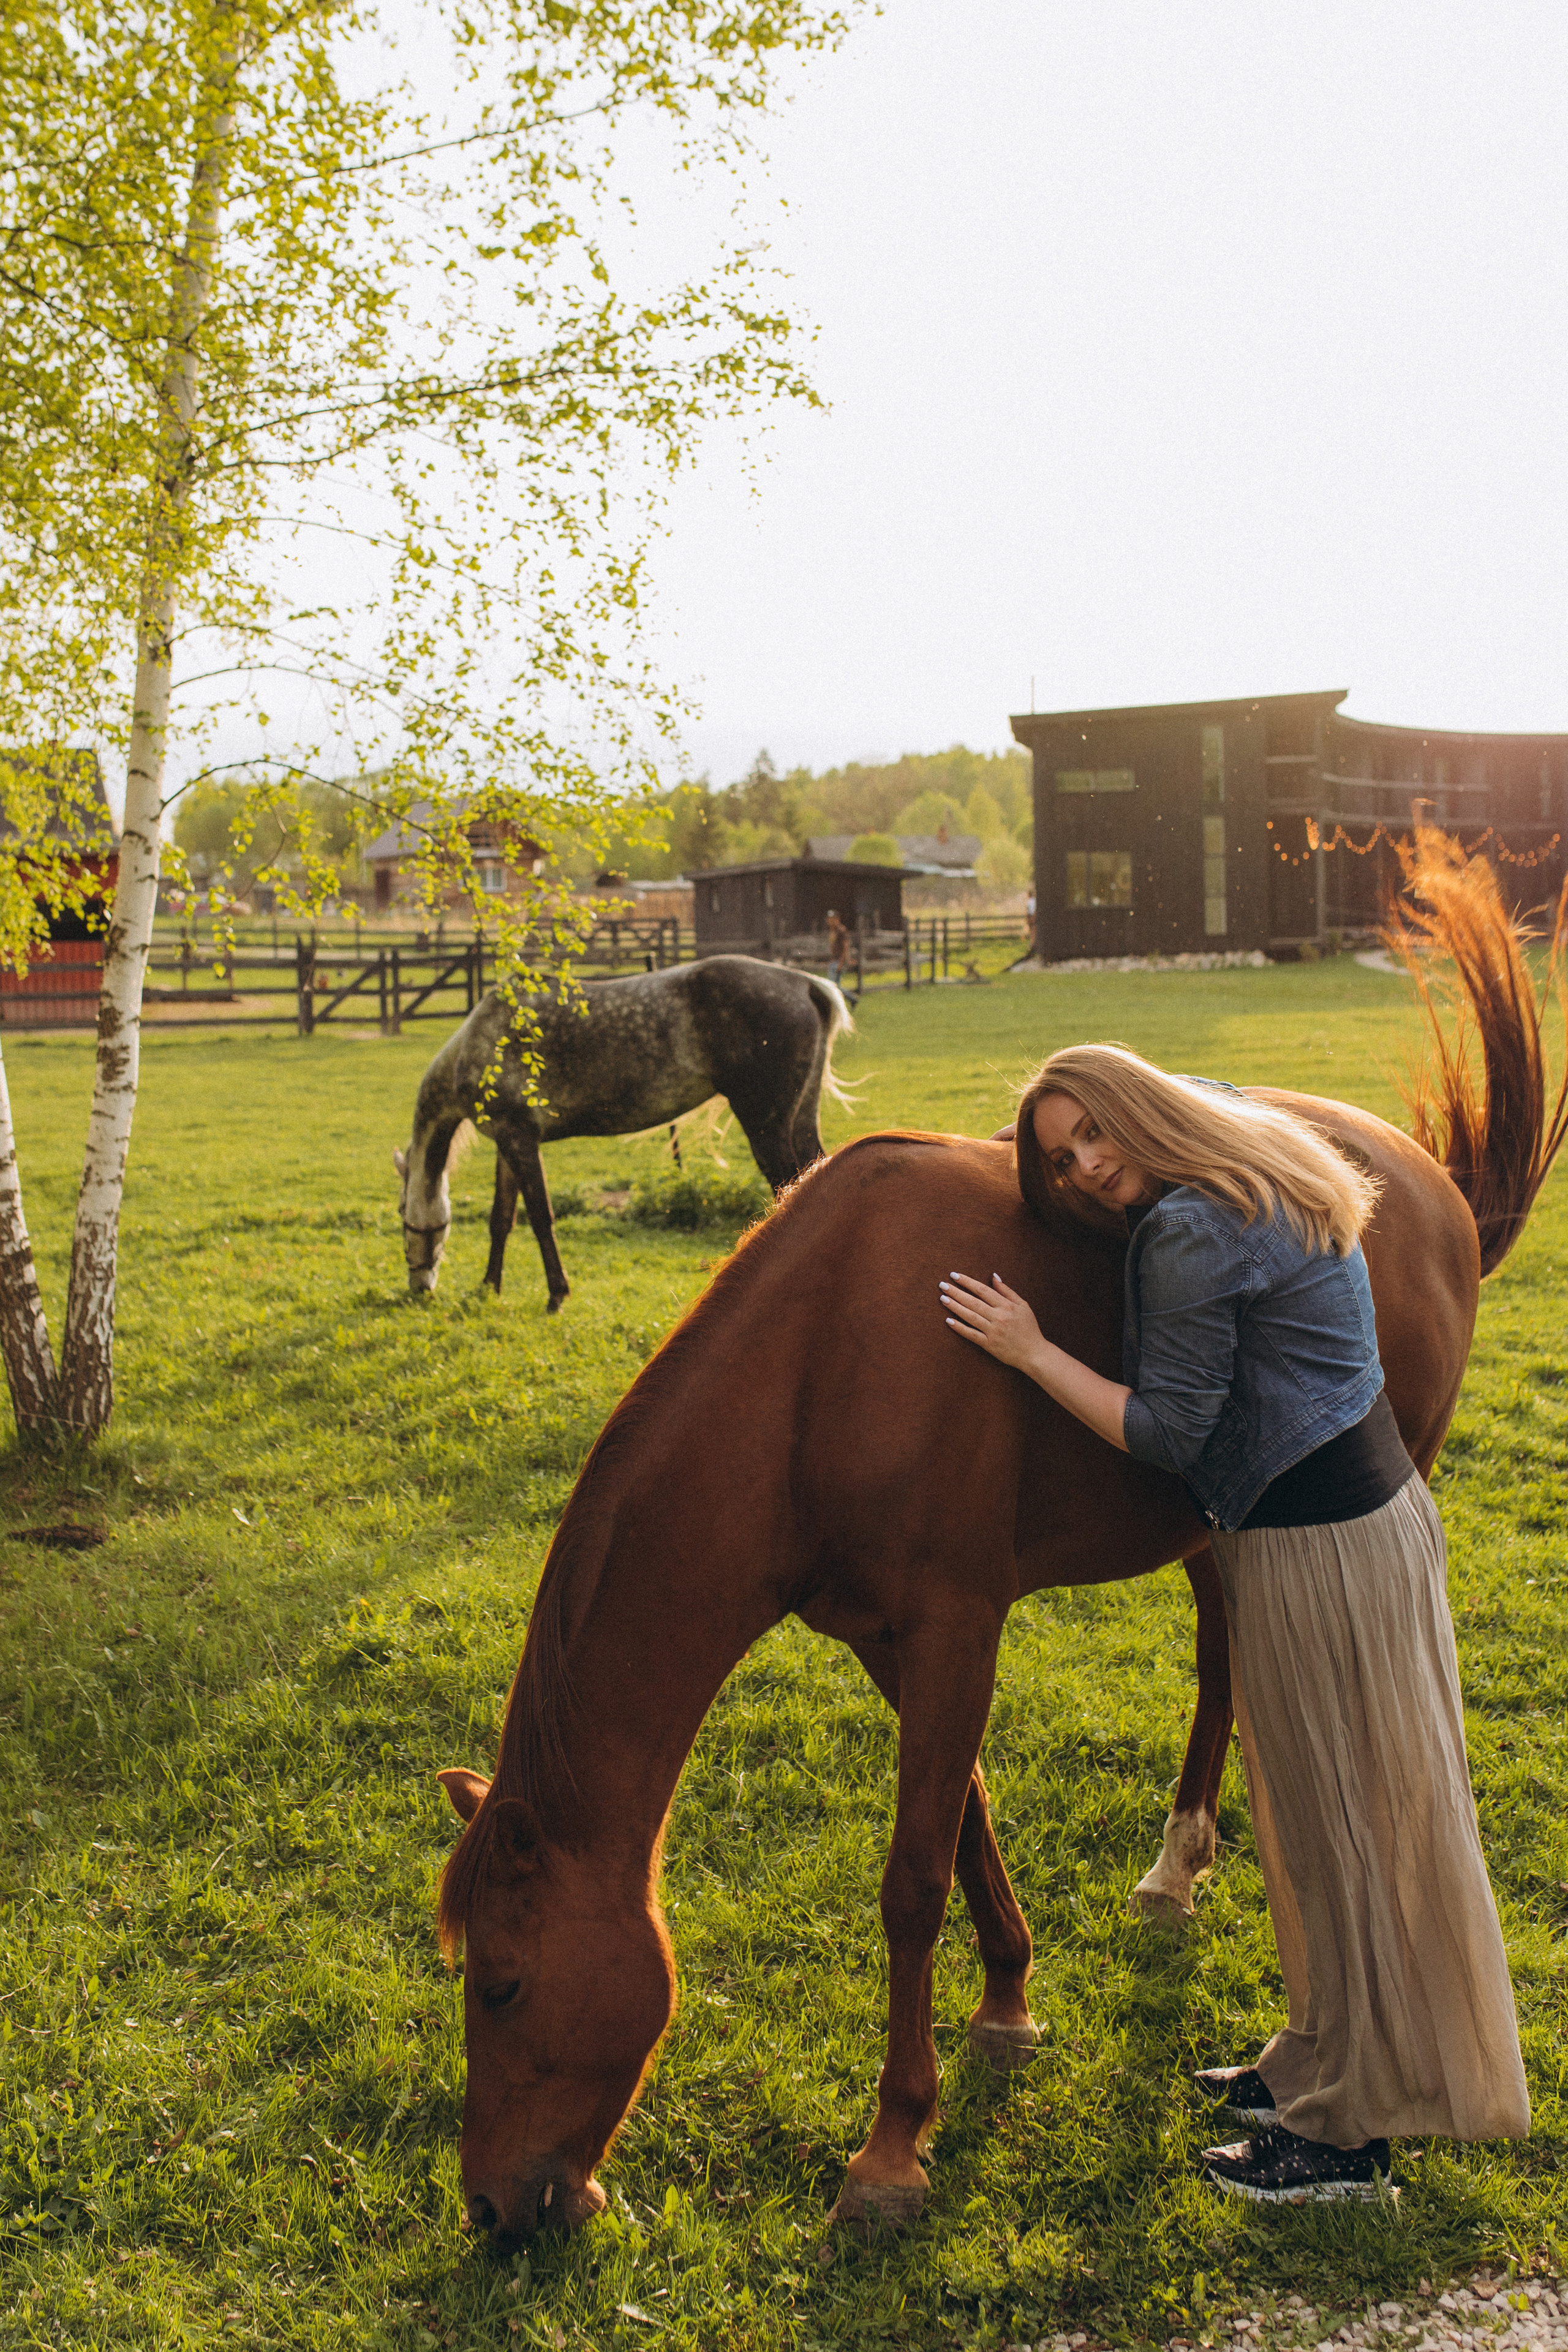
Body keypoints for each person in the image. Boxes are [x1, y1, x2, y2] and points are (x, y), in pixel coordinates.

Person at [940, 1043, 1529, 2204]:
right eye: (1060, 1160)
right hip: (1369, 1521)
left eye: (1094, 1135)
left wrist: (1030, 1348)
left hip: (1318, 1546)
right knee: (1319, 1819)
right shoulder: (1255, 1150)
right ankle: (1318, 2060)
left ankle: (1347, 2140)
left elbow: (1170, 1433)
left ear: (1136, 1107)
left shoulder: (1190, 1228)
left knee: (1345, 1827)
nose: (1085, 1169)